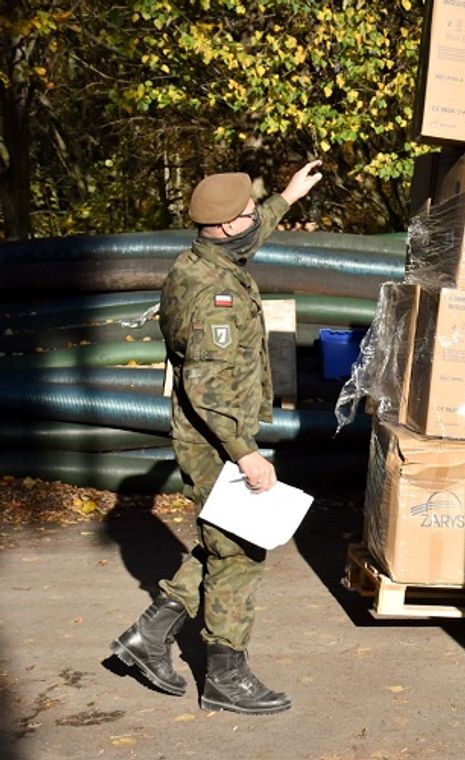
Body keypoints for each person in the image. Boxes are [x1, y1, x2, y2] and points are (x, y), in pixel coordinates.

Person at [110, 161, 323, 715]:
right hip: (215, 439)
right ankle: (226, 673)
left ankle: (147, 637)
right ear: (225, 226)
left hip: (214, 435)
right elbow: (208, 386)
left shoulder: (208, 260)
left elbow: (249, 236)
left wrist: (285, 199)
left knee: (219, 541)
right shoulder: (213, 296)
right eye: (249, 215)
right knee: (240, 551)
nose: (255, 222)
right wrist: (246, 454)